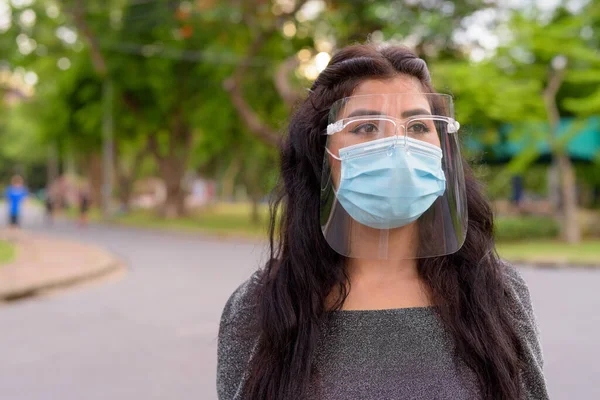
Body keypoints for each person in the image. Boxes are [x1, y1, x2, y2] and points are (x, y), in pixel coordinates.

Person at [217, 44, 549, 400]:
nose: (398, 147)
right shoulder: (262, 305)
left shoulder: (495, 294)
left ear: (442, 149)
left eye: (418, 125)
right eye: (366, 127)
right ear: (322, 152)